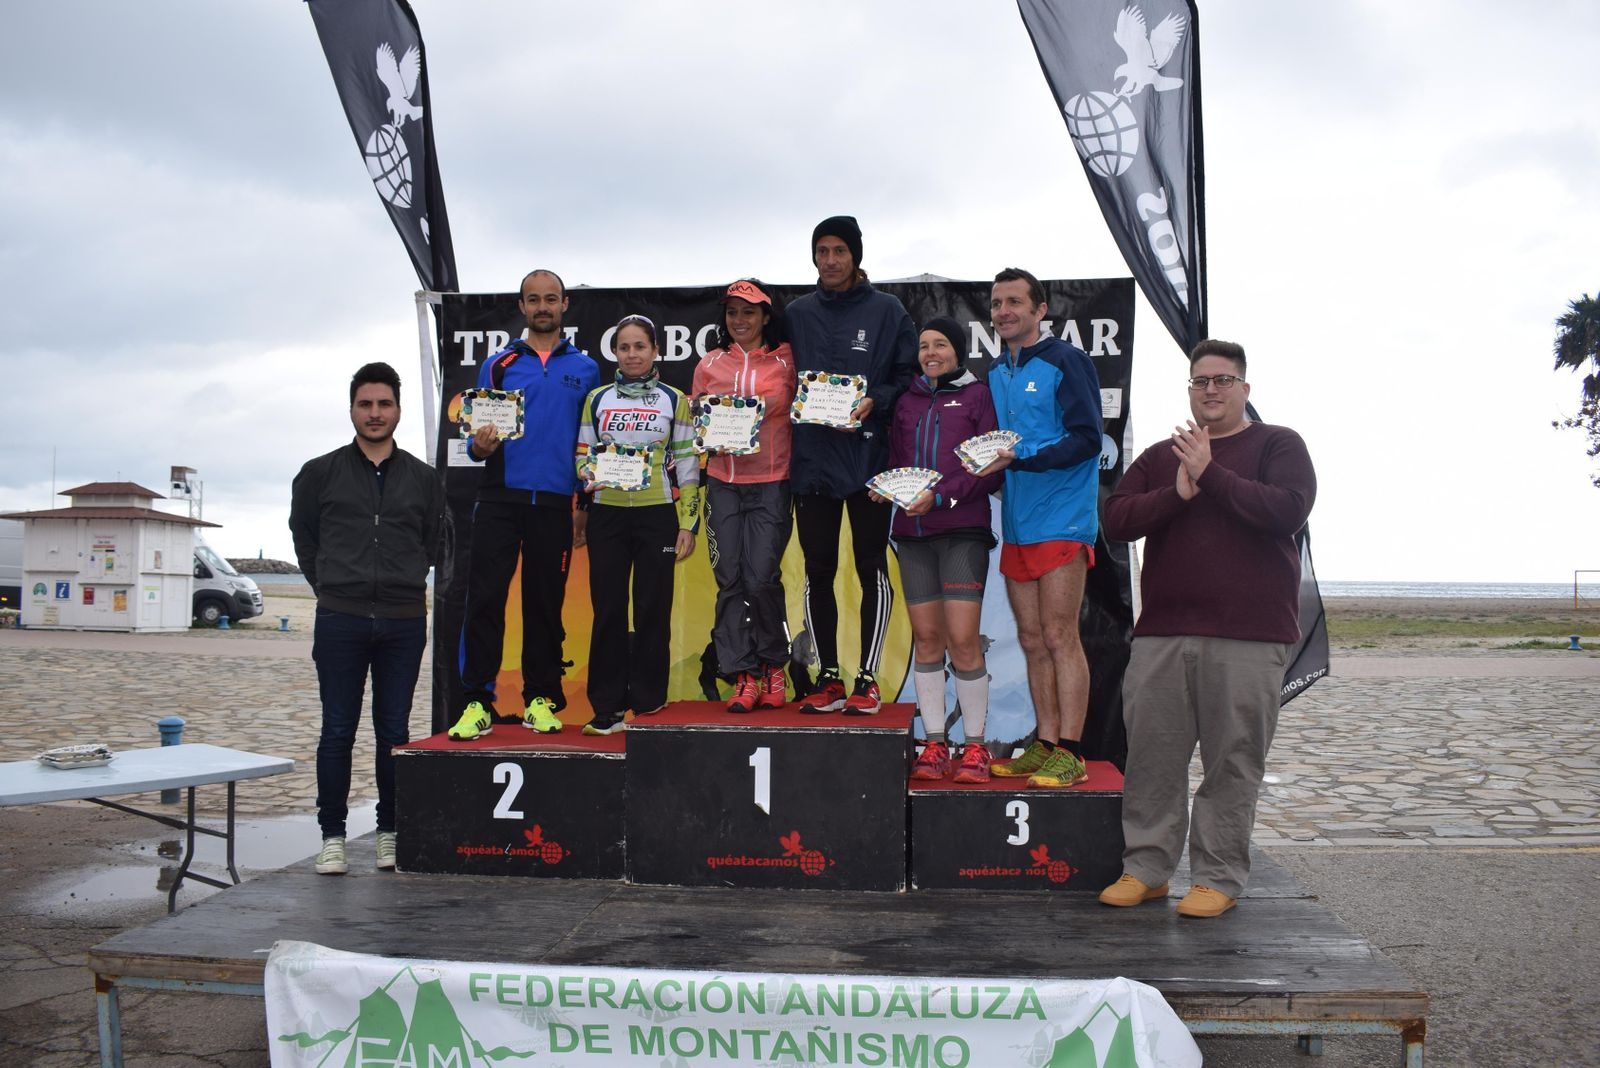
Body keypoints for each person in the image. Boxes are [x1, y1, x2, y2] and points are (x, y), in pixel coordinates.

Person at [1099, 339, 1316, 917]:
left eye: (1223, 380)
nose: (1211, 390)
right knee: (1151, 759)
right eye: (1200, 381)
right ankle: (1145, 869)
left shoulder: (1279, 444)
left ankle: (1216, 878)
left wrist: (1210, 474)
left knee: (1232, 762)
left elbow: (1286, 511)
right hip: (1163, 634)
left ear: (1245, 388)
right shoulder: (1159, 455)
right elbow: (1116, 520)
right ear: (1190, 390)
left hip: (1250, 637)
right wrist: (1176, 491)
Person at [289, 362, 444, 875]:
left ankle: (389, 831)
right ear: (352, 408)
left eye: (384, 404)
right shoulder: (319, 473)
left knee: (393, 730)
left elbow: (436, 541)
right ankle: (332, 835)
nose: (374, 414)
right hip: (340, 619)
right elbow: (305, 537)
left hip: (402, 621)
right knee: (337, 729)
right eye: (365, 404)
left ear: (398, 409)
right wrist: (330, 585)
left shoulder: (424, 478)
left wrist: (404, 575)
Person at [448, 269, 600, 741]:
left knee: (544, 605)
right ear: (521, 306)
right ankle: (476, 700)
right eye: (533, 299)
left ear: (564, 306)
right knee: (486, 602)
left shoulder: (588, 369)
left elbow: (589, 445)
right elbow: (474, 442)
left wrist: (584, 507)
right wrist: (481, 448)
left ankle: (540, 697)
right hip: (499, 499)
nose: (542, 307)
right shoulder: (497, 364)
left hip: (555, 504)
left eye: (550, 299)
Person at [786, 215, 917, 715]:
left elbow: (905, 376)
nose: (831, 260)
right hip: (813, 463)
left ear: (856, 256)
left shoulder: (887, 311)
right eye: (822, 250)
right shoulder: (797, 313)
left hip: (866, 462)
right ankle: (828, 677)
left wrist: (875, 402)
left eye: (840, 250)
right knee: (817, 571)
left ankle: (867, 677)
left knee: (871, 569)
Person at [981, 267, 1103, 788]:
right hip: (1017, 521)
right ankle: (1046, 742)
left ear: (1040, 310)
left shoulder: (1067, 361)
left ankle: (1072, 751)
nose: (1004, 311)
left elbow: (1087, 438)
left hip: (1062, 517)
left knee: (1058, 634)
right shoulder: (995, 372)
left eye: (1014, 302)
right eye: (996, 304)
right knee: (1031, 638)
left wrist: (1019, 458)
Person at [873, 317, 1004, 782]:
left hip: (962, 531)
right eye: (925, 346)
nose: (931, 353)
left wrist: (944, 495)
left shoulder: (978, 396)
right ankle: (933, 744)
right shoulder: (907, 400)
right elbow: (895, 462)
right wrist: (886, 488)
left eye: (941, 345)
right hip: (912, 535)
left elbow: (991, 466)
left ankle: (976, 746)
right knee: (927, 640)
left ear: (958, 350)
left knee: (964, 639)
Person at [575, 315, 700, 734]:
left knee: (652, 609)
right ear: (614, 352)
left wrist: (688, 524)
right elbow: (581, 456)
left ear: (655, 351)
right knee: (608, 609)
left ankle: (648, 704)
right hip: (607, 514)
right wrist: (594, 472)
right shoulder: (596, 399)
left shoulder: (673, 398)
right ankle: (607, 707)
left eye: (640, 347)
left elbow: (686, 462)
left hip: (657, 515)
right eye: (624, 347)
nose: (632, 355)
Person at [691, 279, 797, 713]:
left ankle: (773, 664)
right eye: (733, 312)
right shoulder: (708, 364)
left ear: (766, 316)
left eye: (749, 312)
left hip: (772, 481)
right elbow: (697, 419)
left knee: (761, 578)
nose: (740, 320)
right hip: (723, 482)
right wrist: (706, 433)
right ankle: (744, 675)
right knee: (729, 581)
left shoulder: (787, 361)